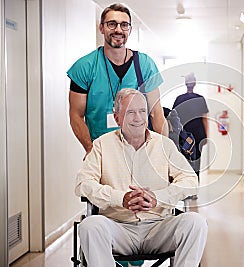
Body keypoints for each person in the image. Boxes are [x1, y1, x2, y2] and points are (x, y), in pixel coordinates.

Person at [75, 89, 207, 267]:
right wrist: (119, 198)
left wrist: (158, 198)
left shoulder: (164, 145)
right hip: (118, 227)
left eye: (142, 111)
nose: (138, 118)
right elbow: (83, 184)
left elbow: (190, 181)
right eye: (130, 112)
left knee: (196, 222)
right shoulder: (101, 145)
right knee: (89, 226)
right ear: (117, 118)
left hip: (159, 227)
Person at [67, 3, 167, 158]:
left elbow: (156, 113)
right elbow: (76, 115)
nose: (118, 30)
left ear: (130, 30)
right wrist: (90, 149)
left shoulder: (145, 65)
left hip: (141, 153)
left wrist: (162, 152)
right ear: (101, 28)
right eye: (111, 24)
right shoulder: (84, 67)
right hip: (101, 152)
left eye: (124, 25)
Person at [173, 72, 209, 178]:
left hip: (184, 136)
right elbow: (204, 118)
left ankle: (185, 185)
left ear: (185, 83)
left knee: (183, 160)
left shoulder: (179, 99)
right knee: (196, 161)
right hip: (198, 134)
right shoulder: (200, 98)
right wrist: (207, 135)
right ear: (195, 83)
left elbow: (174, 118)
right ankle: (195, 186)